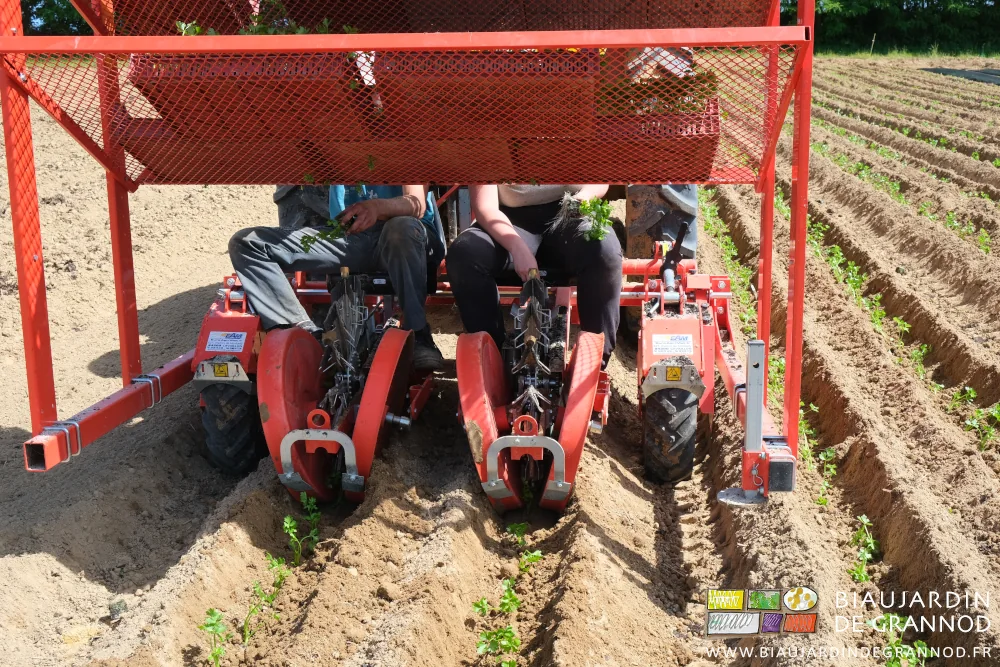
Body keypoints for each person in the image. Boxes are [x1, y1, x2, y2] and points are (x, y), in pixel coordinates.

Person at [229, 184, 445, 371]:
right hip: (352, 236)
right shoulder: (331, 150)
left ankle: (419, 334)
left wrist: (377, 207)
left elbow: (416, 203)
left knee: (401, 227)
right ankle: (303, 337)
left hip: (406, 235)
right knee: (247, 243)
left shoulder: (406, 143)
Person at [445, 184, 623, 365]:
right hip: (509, 220)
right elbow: (485, 206)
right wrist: (517, 247)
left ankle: (594, 364)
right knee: (464, 255)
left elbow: (598, 182)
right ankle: (494, 359)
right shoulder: (491, 154)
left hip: (570, 214)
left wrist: (584, 197)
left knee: (605, 253)